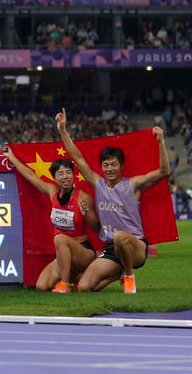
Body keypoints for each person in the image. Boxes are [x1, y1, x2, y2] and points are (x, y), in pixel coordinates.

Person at [56, 108, 170, 294]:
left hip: (135, 247)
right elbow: (77, 157)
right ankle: (117, 274)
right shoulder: (98, 185)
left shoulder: (133, 185)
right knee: (85, 287)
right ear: (101, 167)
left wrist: (161, 142)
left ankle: (129, 277)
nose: (109, 169)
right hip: (111, 249)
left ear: (121, 166)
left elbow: (164, 172)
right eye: (106, 165)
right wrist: (62, 130)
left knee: (119, 235)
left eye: (113, 164)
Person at [3, 146, 99, 293]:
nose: (65, 176)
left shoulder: (83, 197)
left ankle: (65, 284)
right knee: (42, 286)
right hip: (63, 253)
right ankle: (75, 276)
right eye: (60, 174)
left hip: (84, 253)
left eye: (68, 173)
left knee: (59, 238)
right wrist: (11, 158)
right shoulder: (52, 191)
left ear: (73, 176)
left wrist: (88, 215)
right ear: (55, 178)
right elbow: (30, 176)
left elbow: (96, 228)